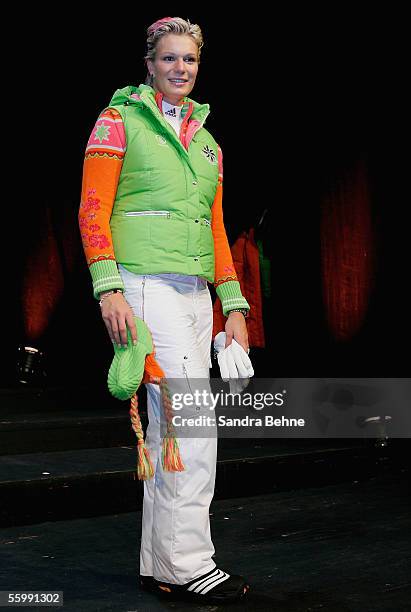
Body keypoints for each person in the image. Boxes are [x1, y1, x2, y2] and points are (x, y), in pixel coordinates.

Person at [78, 16, 251, 605]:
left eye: (191, 60)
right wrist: (110, 289)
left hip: (196, 292)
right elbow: (92, 210)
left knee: (171, 431)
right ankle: (188, 564)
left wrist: (234, 306)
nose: (181, 69)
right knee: (188, 427)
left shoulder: (208, 143)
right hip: (145, 286)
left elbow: (218, 228)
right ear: (149, 63)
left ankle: (162, 562)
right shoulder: (119, 121)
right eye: (169, 58)